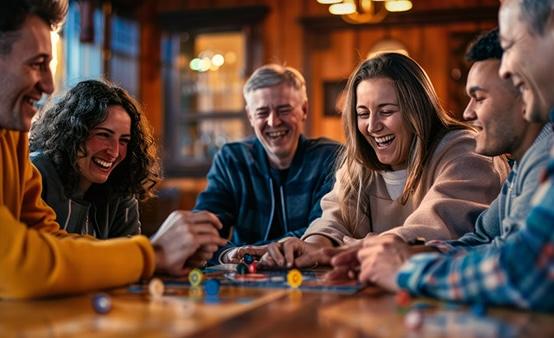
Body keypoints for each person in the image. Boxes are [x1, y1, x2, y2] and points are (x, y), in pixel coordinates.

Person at [0, 0, 226, 299]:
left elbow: (49, 238)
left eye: (123, 140)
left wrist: (161, 255)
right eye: (36, 64)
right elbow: (21, 267)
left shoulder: (11, 133)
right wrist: (153, 253)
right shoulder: (34, 157)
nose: (49, 85)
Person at [362, 0, 554, 311]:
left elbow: (526, 272)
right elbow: (484, 240)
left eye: (512, 44)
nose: (508, 67)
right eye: (362, 113)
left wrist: (406, 270)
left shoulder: (543, 153)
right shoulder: (524, 162)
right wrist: (412, 253)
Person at [261, 53, 509, 268]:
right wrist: (314, 246)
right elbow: (335, 220)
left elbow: (439, 228)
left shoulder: (466, 150)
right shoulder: (358, 163)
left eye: (387, 111)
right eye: (363, 114)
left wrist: (358, 247)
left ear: (417, 110)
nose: (372, 126)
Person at [194, 64, 341, 264]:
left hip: (310, 277)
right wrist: (228, 255)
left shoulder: (331, 158)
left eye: (284, 109)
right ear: (250, 117)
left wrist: (249, 252)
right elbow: (203, 232)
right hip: (244, 283)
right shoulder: (231, 159)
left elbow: (322, 230)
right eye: (262, 112)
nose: (273, 121)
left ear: (304, 110)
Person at [28, 79, 158, 238]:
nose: (115, 152)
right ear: (73, 133)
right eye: (104, 135)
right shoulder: (35, 174)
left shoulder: (119, 188)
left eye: (124, 140)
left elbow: (128, 258)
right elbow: (46, 253)